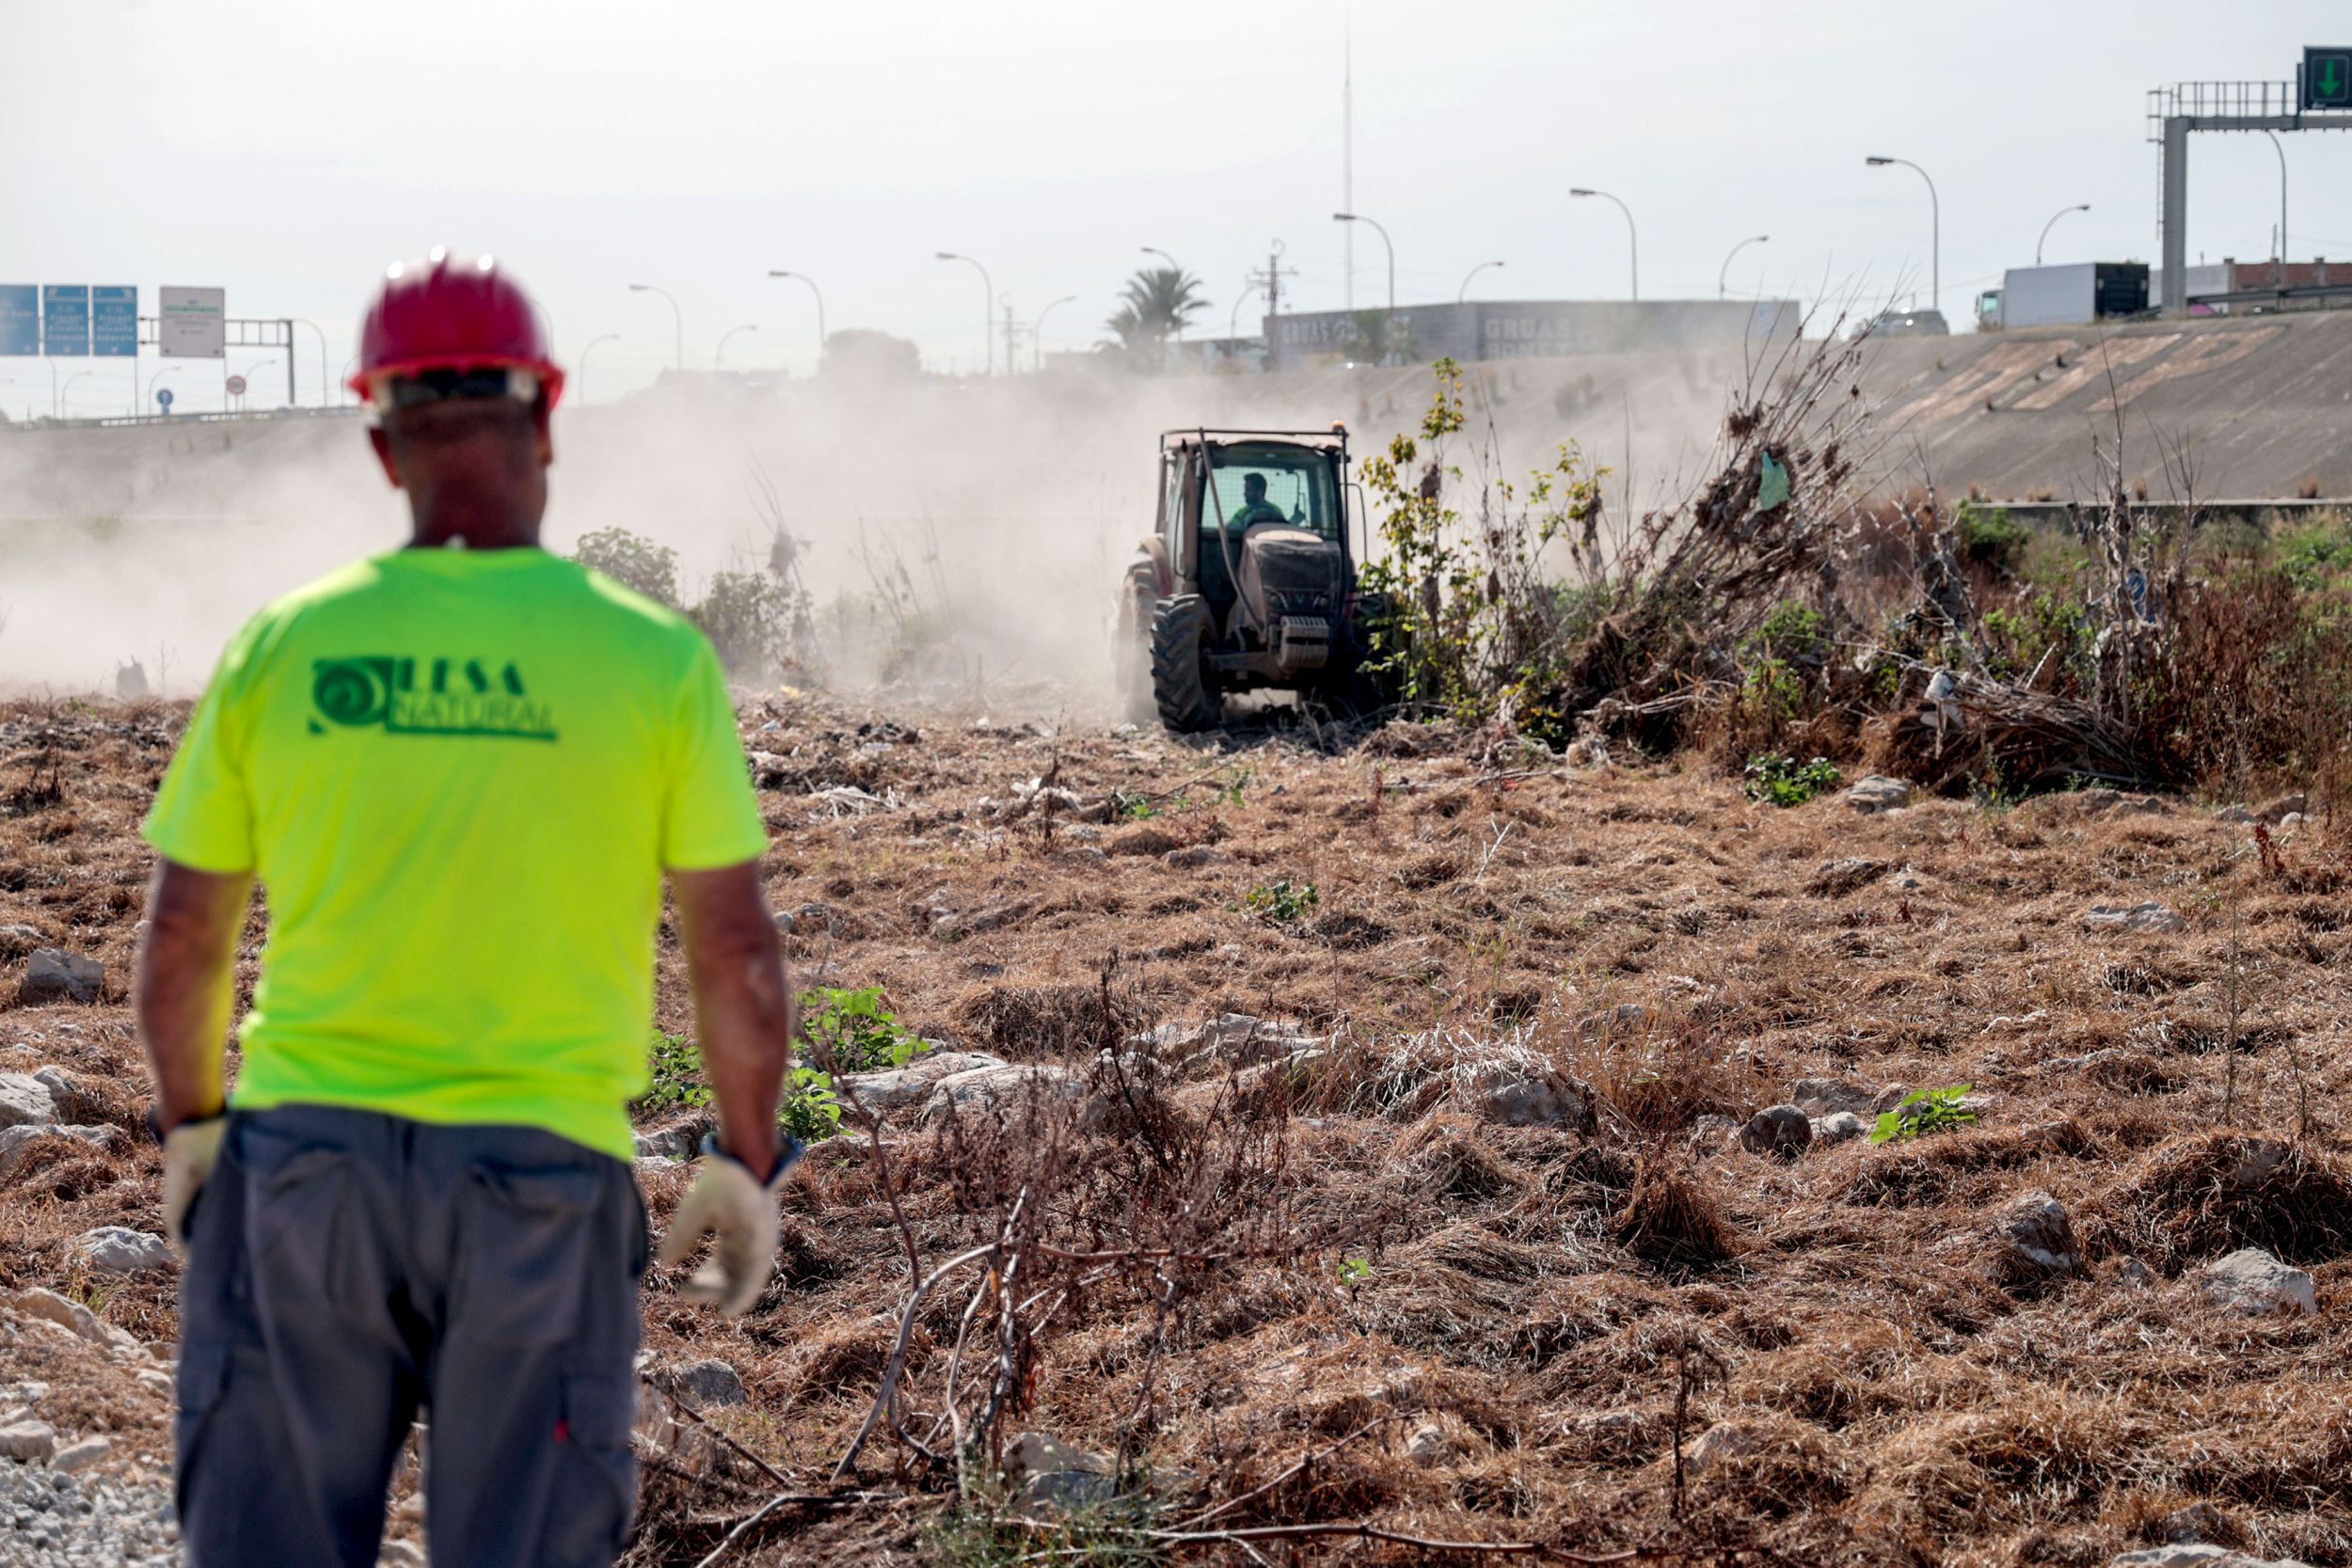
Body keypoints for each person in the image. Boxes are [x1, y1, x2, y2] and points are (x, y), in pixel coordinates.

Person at [135, 247, 799, 1568]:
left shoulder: (285, 644)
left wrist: (199, 1128)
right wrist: (743, 1155)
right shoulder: (652, 658)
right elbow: (735, 953)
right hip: (543, 1192)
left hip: (301, 1179)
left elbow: (184, 942)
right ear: (546, 415)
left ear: (384, 445)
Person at [1225, 470, 1290, 529]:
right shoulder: (1241, 513)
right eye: (1245, 490)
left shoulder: (1275, 511)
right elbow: (1229, 530)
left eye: (1248, 490)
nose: (1245, 493)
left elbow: (1282, 529)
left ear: (1260, 491)